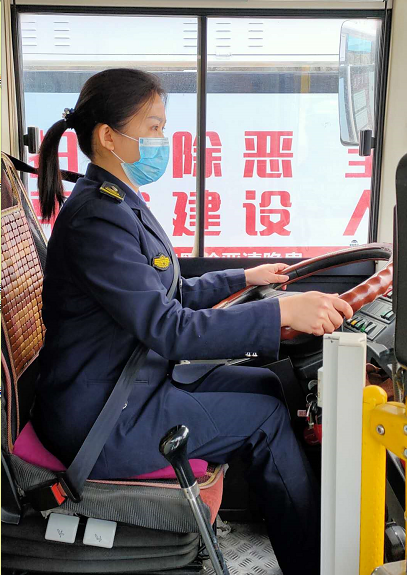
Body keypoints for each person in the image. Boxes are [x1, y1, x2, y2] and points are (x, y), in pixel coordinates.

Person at [33, 68, 353, 575]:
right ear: (109, 137)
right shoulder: (97, 219)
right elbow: (169, 327)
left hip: (131, 382)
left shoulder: (119, 203)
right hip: (103, 416)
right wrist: (280, 312)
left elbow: (169, 291)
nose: (163, 139)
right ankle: (312, 565)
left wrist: (243, 277)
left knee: (271, 385)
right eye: (154, 127)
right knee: (265, 419)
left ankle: (298, 534)